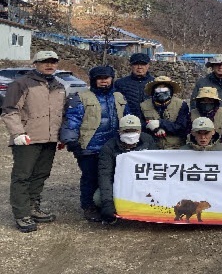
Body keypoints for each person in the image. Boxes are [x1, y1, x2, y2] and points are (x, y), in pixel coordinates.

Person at [2, 50, 65, 233]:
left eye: (53, 61)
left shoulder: (59, 86)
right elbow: (10, 110)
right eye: (45, 61)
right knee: (22, 177)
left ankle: (32, 207)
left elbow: (60, 114)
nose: (49, 65)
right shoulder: (21, 84)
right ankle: (22, 214)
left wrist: (61, 136)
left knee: (40, 175)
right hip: (27, 139)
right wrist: (18, 133)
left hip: (50, 140)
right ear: (35, 63)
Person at [60, 65, 129, 221]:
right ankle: (89, 206)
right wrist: (71, 142)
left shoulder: (119, 97)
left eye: (107, 78)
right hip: (90, 146)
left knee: (111, 177)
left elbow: (127, 117)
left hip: (114, 146)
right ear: (93, 80)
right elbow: (72, 120)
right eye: (100, 78)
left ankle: (108, 204)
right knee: (90, 177)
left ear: (112, 79)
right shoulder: (81, 96)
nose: (104, 81)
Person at [98, 115, 157, 224]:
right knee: (98, 199)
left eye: (133, 131)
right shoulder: (108, 148)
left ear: (140, 131)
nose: (130, 135)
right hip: (120, 184)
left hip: (143, 183)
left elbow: (156, 167)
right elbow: (105, 176)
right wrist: (107, 202)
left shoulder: (148, 141)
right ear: (119, 132)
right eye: (126, 131)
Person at [141, 76, 191, 149]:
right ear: (153, 91)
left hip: (176, 147)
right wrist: (154, 128)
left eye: (165, 89)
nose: (161, 91)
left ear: (170, 90)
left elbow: (183, 128)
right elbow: (140, 127)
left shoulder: (181, 105)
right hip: (152, 148)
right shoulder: (143, 106)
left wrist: (161, 124)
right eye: (158, 89)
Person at [114, 53, 154, 120]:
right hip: (128, 122)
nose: (139, 67)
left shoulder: (155, 83)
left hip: (151, 122)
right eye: (136, 64)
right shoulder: (120, 83)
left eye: (143, 64)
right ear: (131, 66)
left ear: (148, 65)